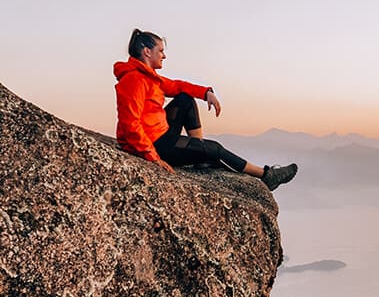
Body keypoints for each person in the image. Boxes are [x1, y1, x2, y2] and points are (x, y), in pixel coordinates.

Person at [114, 28, 297, 190]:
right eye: (160, 51)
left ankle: (198, 155)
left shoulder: (150, 77)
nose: (164, 55)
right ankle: (266, 176)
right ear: (147, 52)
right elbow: (130, 123)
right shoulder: (134, 80)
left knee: (185, 98)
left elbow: (178, 86)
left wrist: (206, 92)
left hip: (158, 133)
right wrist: (152, 157)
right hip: (151, 144)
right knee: (214, 149)